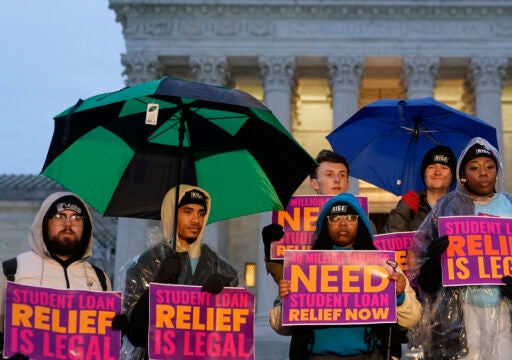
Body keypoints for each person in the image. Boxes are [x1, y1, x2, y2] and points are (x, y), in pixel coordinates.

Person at [410, 137, 512, 359]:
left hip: (510, 316)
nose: (483, 172)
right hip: (464, 318)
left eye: (489, 166)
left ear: (498, 171)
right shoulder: (448, 208)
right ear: (463, 174)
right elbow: (425, 280)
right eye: (474, 168)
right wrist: (435, 261)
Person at [270, 193, 422, 359]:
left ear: (361, 224)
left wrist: (399, 297)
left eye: (350, 217)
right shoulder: (302, 266)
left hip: (371, 355)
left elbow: (412, 319)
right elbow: (279, 327)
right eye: (335, 218)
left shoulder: (385, 265)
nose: (343, 223)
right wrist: (288, 300)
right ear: (325, 225)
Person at [120, 185, 239, 360]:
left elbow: (232, 337)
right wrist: (158, 284)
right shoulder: (145, 263)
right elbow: (136, 335)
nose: (196, 220)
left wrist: (221, 298)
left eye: (201, 213)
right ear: (171, 213)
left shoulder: (222, 268)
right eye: (188, 211)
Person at [0, 192, 113, 359]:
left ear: (85, 226)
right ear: (45, 223)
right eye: (60, 216)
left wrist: (115, 333)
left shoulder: (100, 279)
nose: (68, 224)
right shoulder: (11, 270)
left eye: (76, 218)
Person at [262, 149, 350, 285]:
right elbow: (283, 278)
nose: (337, 180)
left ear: (348, 184)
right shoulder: (292, 221)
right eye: (329, 175)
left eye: (342, 175)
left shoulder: (364, 222)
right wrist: (272, 252)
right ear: (314, 183)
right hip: (301, 299)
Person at [382, 144, 456, 233]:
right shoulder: (408, 205)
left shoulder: (461, 206)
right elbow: (390, 239)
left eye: (444, 168)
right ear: (423, 174)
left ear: (453, 176)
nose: (437, 172)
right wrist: (403, 210)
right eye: (431, 167)